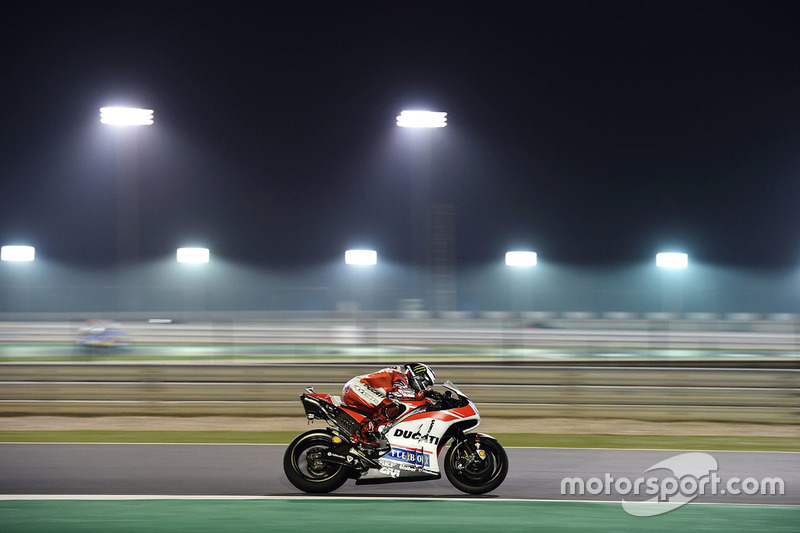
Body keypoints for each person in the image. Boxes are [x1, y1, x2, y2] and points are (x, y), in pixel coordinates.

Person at [342, 363, 436, 447]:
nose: (425, 387)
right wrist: (425, 394)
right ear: (419, 376)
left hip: (356, 390)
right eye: (426, 383)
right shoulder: (401, 376)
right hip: (357, 386)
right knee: (391, 408)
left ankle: (366, 436)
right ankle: (360, 435)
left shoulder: (402, 381)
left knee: (386, 414)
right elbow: (398, 392)